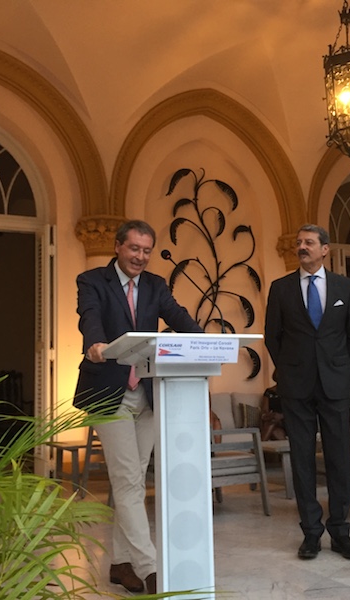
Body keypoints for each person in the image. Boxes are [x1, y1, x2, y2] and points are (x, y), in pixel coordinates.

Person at [73, 219, 203, 595]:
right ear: (118, 246)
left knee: (129, 481)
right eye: (134, 249)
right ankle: (150, 567)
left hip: (145, 393)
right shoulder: (92, 280)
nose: (141, 257)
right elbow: (90, 316)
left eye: (147, 251)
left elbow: (177, 317)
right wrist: (96, 343)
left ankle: (119, 564)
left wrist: (208, 344)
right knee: (129, 481)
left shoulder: (155, 285)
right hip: (107, 391)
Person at [264, 224, 350, 561]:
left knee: (339, 460)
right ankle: (311, 533)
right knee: (303, 460)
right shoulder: (280, 288)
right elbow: (272, 337)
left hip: (335, 387)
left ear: (325, 249)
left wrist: (339, 371)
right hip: (297, 388)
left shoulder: (345, 287)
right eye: (299, 242)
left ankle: (340, 532)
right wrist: (292, 370)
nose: (302, 247)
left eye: (309, 242)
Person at [260, 370, 286, 441]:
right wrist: (271, 416)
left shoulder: (291, 393)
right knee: (274, 429)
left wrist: (280, 416)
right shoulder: (269, 392)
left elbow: (294, 410)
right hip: (272, 420)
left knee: (271, 423)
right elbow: (264, 412)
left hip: (286, 421)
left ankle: (259, 447)